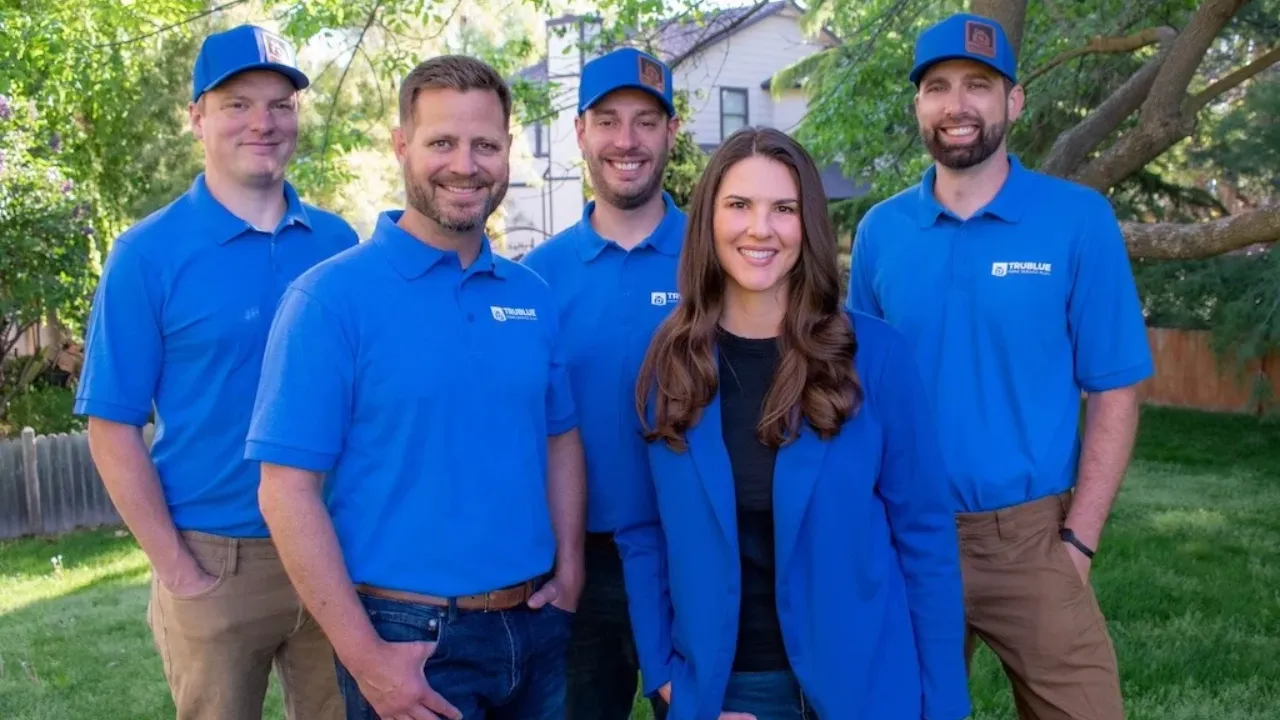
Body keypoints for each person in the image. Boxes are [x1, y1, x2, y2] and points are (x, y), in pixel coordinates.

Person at [244, 54, 586, 720]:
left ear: (507, 151)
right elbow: (286, 490)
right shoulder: (328, 299)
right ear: (401, 146)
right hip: (409, 639)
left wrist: (571, 566)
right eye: (442, 142)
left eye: (484, 144)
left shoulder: (532, 297)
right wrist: (366, 659)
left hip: (535, 627)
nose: (465, 163)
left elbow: (560, 436)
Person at [846, 13, 1154, 720]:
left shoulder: (1077, 220)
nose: (958, 105)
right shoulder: (881, 233)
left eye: (979, 85)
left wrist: (1079, 540)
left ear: (1013, 101)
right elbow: (858, 387)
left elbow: (1114, 389)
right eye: (939, 87)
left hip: (1033, 540)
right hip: (906, 532)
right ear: (919, 106)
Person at [615, 126, 972, 720]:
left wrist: (944, 705)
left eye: (783, 208)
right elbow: (641, 530)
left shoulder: (876, 357)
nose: (761, 229)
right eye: (739, 206)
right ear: (708, 220)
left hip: (865, 685)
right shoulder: (662, 363)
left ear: (808, 224)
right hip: (728, 689)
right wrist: (669, 681)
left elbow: (925, 538)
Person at [74, 24, 357, 720]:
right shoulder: (146, 255)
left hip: (337, 550)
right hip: (216, 562)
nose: (262, 122)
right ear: (197, 116)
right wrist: (177, 569)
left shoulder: (340, 245)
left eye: (280, 104)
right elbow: (111, 427)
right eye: (237, 103)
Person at [520, 46, 682, 720]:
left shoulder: (720, 257)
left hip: (693, 548)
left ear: (672, 134)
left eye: (647, 121)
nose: (627, 140)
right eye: (608, 120)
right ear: (580, 132)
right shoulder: (534, 278)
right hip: (574, 558)